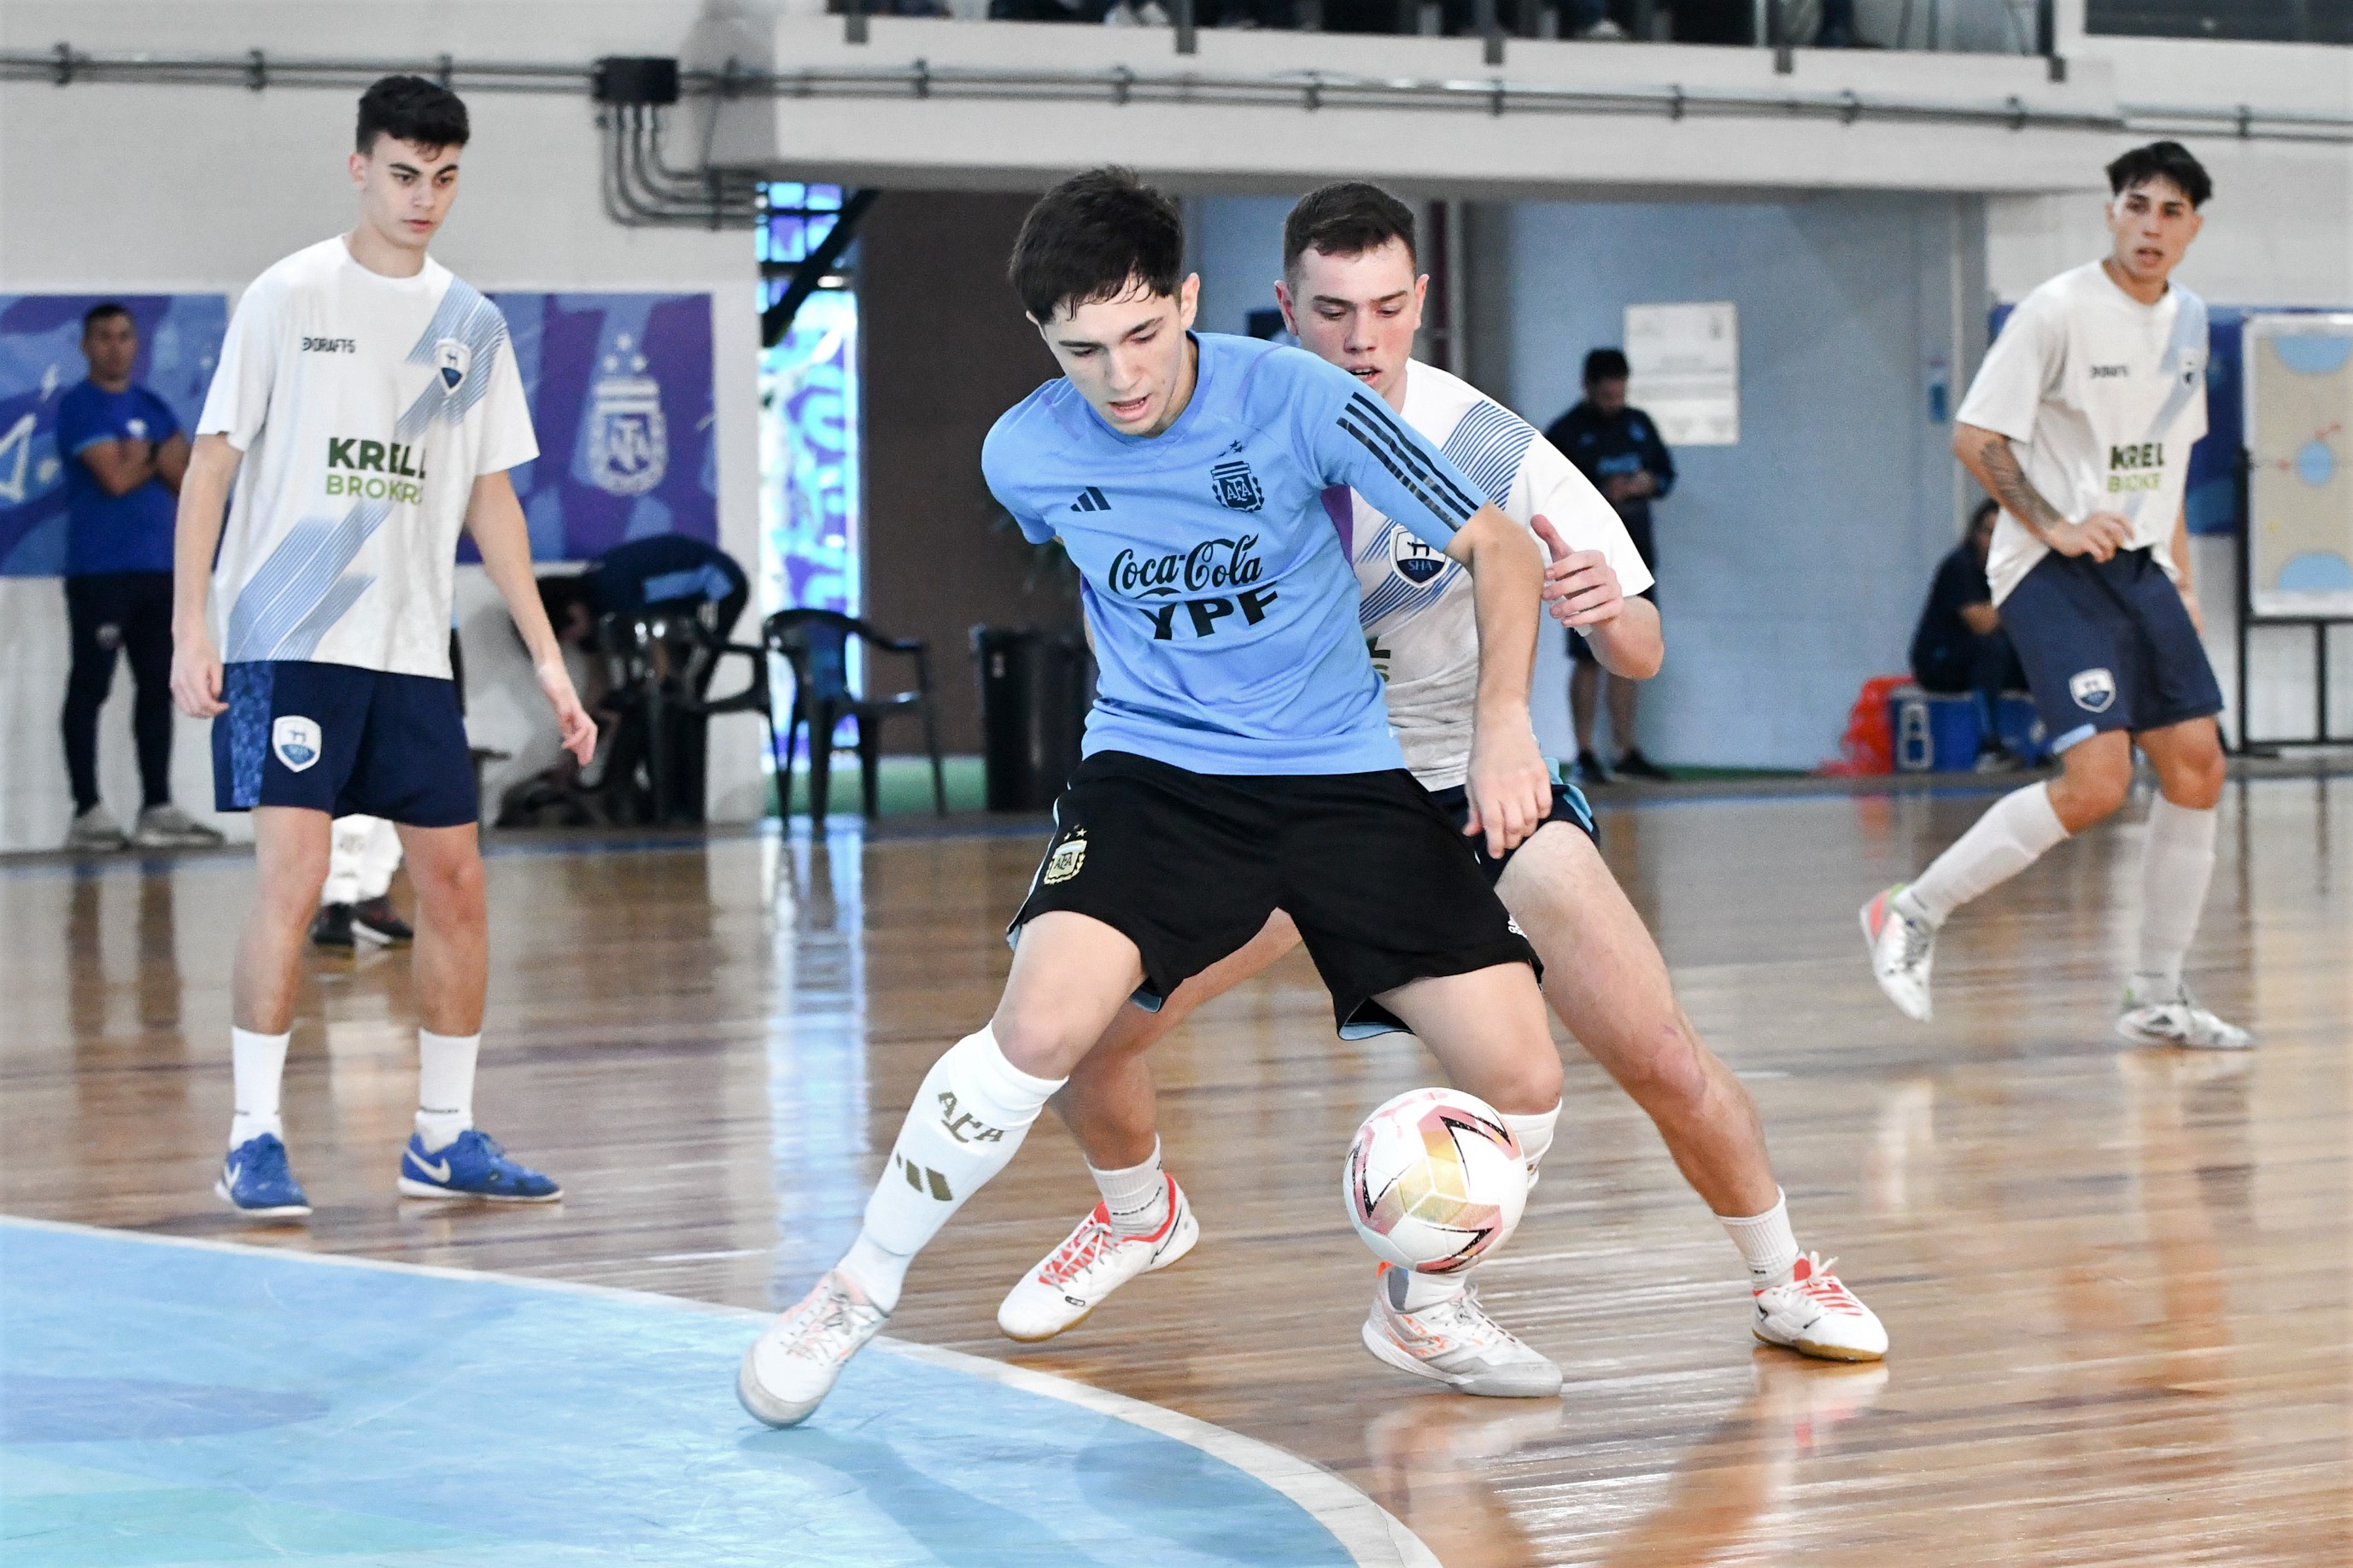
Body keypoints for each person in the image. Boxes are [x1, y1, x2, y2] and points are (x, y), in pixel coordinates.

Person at [992, 181, 1886, 1376]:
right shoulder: (1213, 416)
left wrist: (1602, 618)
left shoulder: (1489, 447)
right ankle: (1139, 1216)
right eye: (1328, 310)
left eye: (1383, 309)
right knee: (1088, 1034)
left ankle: (1773, 1276)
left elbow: (1639, 650)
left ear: (1420, 302)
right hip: (1284, 799)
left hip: (1473, 786)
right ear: (1277, 309)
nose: (1358, 339)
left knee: (1655, 1053)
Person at [738, 167, 1566, 1427]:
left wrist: (1504, 723)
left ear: (1186, 299)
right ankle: (861, 1285)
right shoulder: (1021, 453)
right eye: (1082, 350)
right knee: (1038, 1031)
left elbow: (1495, 545)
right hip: (1157, 772)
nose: (1121, 376)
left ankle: (1421, 1305)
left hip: (1341, 774)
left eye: (1142, 334)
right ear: (1042, 339)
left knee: (1524, 1081)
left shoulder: (1299, 397)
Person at [170, 75, 597, 1217]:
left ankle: (442, 1138)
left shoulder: (471, 324)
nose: (425, 197)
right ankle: (252, 1137)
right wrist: (190, 623)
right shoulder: (287, 294)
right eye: (405, 173)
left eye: (445, 176)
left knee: (452, 885)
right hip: (290, 637)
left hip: (412, 649)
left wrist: (550, 660)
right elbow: (210, 464)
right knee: (296, 882)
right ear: (359, 167)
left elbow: (492, 502)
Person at [1863, 141, 2249, 1050]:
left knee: (2197, 765)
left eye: (2170, 212)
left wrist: (2181, 578)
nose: (2150, 226)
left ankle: (2155, 993)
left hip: (2144, 569)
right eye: (2136, 205)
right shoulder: (2055, 311)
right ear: (2110, 211)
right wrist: (2053, 523)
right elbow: (1976, 435)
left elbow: (2173, 464)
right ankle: (1909, 910)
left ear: (2192, 227)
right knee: (2098, 782)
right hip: (2050, 571)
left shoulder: (2189, 321)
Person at [56, 304, 221, 851]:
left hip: (159, 570)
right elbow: (116, 478)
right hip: (101, 572)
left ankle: (158, 807)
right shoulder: (80, 406)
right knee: (91, 686)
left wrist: (143, 454)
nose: (115, 346)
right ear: (85, 345)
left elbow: (189, 479)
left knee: (157, 688)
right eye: (103, 337)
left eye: (125, 336)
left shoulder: (152, 405)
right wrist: (155, 453)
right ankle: (88, 811)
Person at [1547, 348, 1677, 781]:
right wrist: (1604, 491)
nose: (1614, 403)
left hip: (1636, 561)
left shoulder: (1639, 424)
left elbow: (1667, 474)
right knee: (1587, 657)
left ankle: (1626, 750)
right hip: (1585, 562)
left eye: (1619, 395)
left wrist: (1647, 482)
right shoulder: (1565, 433)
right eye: (1606, 396)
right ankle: (1584, 752)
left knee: (1631, 651)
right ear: (1587, 388)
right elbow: (1547, 497)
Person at [1910, 498, 2031, 769]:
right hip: (1938, 661)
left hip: (1978, 659)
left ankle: (2046, 743)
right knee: (1991, 648)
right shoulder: (1960, 566)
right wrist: (2020, 594)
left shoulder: (2009, 569)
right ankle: (1988, 747)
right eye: (1988, 532)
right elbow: (1983, 624)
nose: (1994, 540)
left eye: (2003, 534)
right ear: (1975, 534)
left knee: (2038, 655)